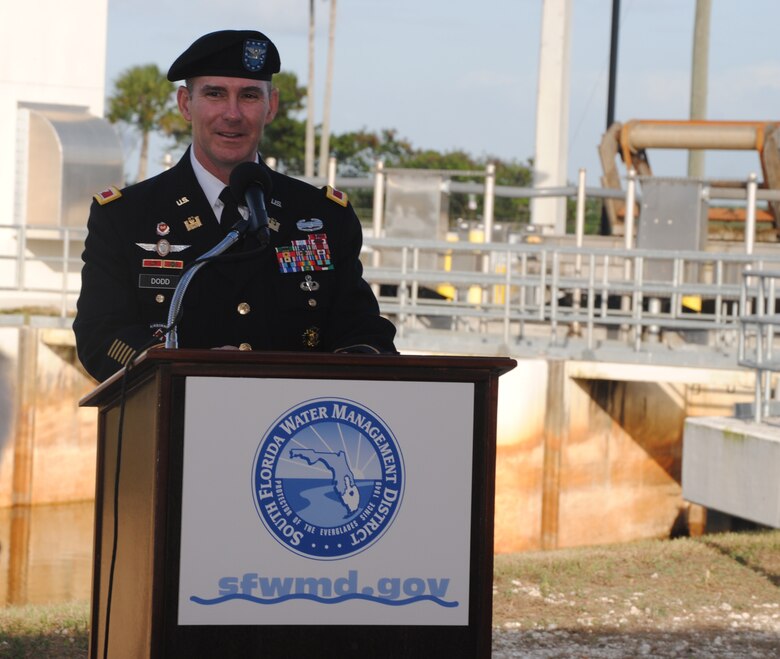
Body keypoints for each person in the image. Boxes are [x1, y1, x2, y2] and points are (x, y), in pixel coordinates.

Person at [74, 29, 397, 382]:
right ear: (185, 104)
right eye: (215, 94)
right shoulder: (125, 217)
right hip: (172, 421)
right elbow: (100, 336)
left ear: (270, 106)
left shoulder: (320, 217)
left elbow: (362, 331)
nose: (232, 114)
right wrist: (187, 369)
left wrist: (359, 361)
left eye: (248, 96)